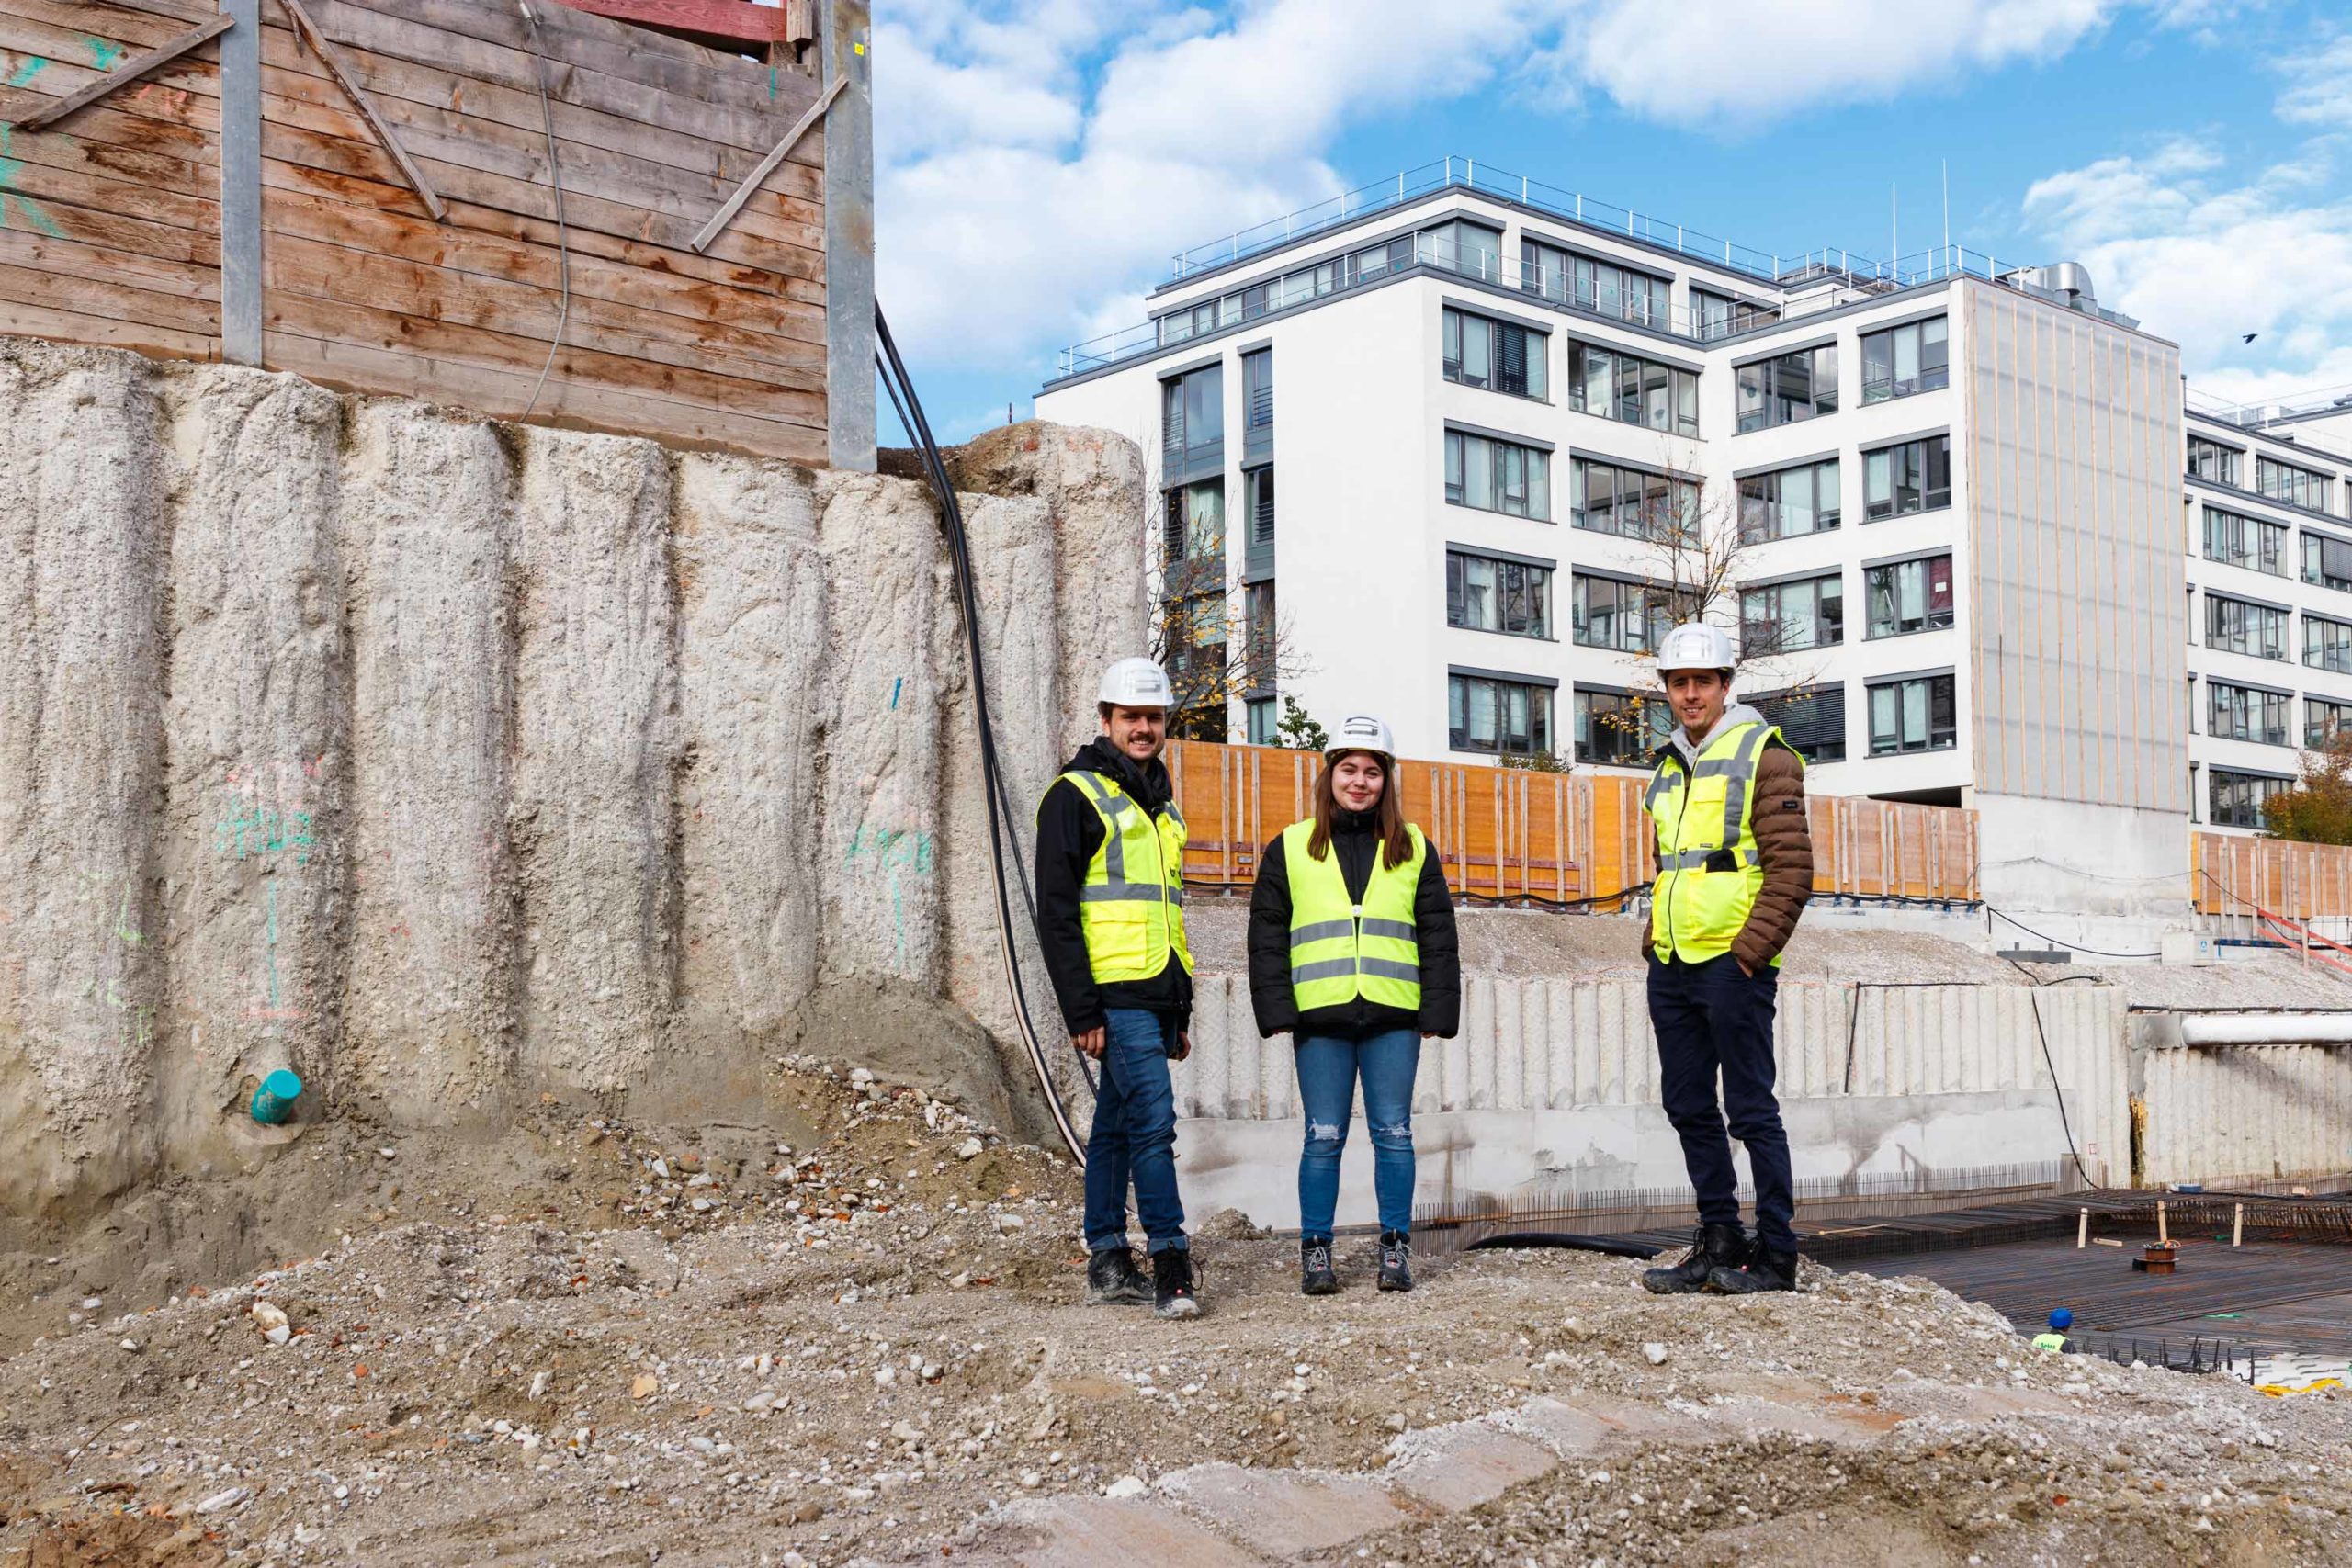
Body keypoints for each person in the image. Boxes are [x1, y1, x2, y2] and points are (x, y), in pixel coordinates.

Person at [1247, 715, 1460, 1295]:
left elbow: (1437, 933)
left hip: (1394, 1016)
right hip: (1321, 1019)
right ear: (1330, 775)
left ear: (1386, 780)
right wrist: (1277, 1010)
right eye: (1349, 770)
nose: (1360, 782)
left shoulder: (1413, 847)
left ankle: (1395, 1248)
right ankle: (1316, 1250)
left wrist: (1437, 1014)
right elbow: (1267, 933)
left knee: (1394, 1133)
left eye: (1372, 771)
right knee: (1323, 1136)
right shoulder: (1290, 846)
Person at [1634, 623, 1815, 1297]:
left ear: (1724, 685)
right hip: (1675, 963)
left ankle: (1776, 1254)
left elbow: (1791, 871)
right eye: (1678, 683)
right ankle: (1719, 1240)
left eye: (1701, 682)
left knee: (1750, 1110)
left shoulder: (1765, 755)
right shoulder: (1667, 765)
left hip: (1732, 963)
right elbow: (1672, 866)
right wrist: (1656, 933)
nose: (1689, 694)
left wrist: (1747, 955)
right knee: (1686, 1103)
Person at [1033, 657, 1201, 1319]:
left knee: (1115, 1128)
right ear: (1106, 721)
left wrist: (1179, 1007)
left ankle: (1106, 1254)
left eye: (1153, 717)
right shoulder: (1075, 796)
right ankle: (1171, 1261)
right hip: (1114, 993)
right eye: (1131, 716)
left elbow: (1167, 911)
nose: (1143, 728)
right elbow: (1058, 912)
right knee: (1153, 1126)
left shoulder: (1161, 804)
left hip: (1156, 992)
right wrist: (1081, 1008)